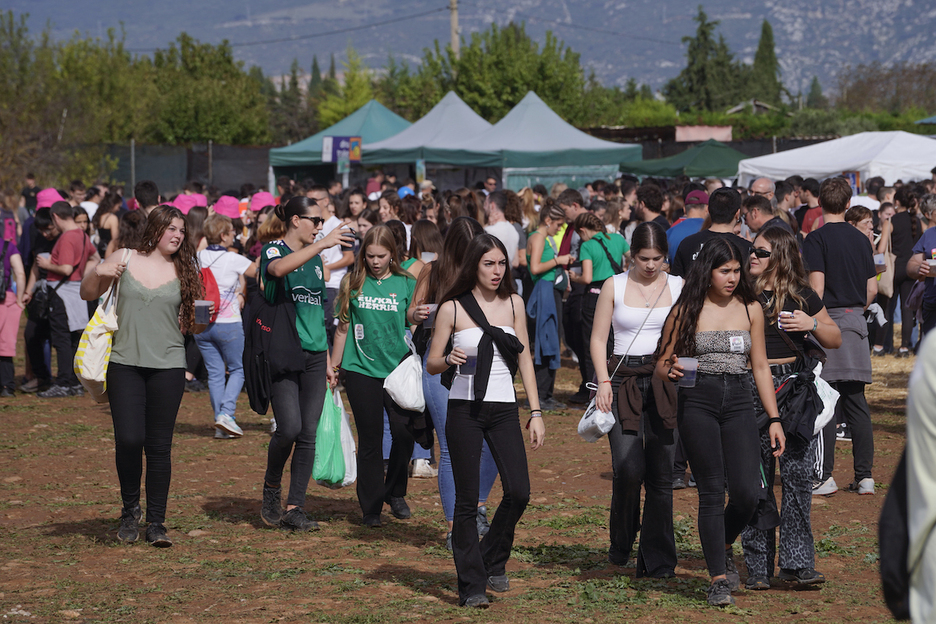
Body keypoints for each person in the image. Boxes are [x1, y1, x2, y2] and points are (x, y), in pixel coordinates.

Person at [656, 238, 785, 607]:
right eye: (724, 271)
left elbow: (760, 366)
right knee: (711, 492)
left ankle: (723, 542)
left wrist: (774, 417)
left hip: (740, 401)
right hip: (698, 401)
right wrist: (671, 369)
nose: (732, 278)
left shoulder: (751, 308)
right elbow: (662, 363)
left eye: (736, 270)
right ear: (707, 271)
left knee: (748, 493)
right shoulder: (686, 309)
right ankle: (717, 579)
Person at [426, 233, 544, 608]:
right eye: (488, 263)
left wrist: (536, 412)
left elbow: (525, 359)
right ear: (473, 266)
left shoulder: (514, 303)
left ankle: (490, 555)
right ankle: (472, 586)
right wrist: (448, 359)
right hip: (465, 409)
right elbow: (432, 363)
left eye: (501, 263)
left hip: (504, 408)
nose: (496, 271)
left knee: (519, 491)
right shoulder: (452, 308)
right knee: (466, 501)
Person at [80, 205, 205, 547]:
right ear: (155, 229)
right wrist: (99, 269)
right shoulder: (125, 257)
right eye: (171, 228)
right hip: (125, 364)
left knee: (159, 447)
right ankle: (129, 511)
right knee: (130, 439)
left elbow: (194, 326)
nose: (178, 235)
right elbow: (87, 292)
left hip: (169, 366)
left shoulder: (186, 270)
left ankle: (157, 524)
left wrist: (202, 316)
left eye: (182, 230)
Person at [740, 227, 841, 590]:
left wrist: (811, 323)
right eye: (753, 250)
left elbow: (834, 337)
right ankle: (757, 566)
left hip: (794, 390)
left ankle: (797, 564)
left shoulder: (800, 294)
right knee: (756, 479)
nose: (753, 256)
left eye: (761, 252)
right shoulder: (741, 293)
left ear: (780, 257)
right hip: (750, 387)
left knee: (797, 477)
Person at [590, 222, 681, 577]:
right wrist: (603, 381)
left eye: (658, 258)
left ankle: (659, 560)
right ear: (632, 255)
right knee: (628, 468)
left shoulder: (678, 286)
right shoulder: (613, 285)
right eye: (644, 258)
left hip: (663, 382)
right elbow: (598, 339)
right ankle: (622, 542)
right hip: (622, 379)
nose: (651, 265)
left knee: (661, 473)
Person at [258, 197, 354, 530]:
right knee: (289, 429)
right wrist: (322, 245)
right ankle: (271, 485)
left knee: (308, 433)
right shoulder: (274, 250)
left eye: (321, 221)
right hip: (284, 352)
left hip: (314, 356)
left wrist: (326, 358)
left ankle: (295, 507)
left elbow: (315, 313)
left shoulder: (315, 261)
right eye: (315, 220)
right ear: (296, 220)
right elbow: (277, 270)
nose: (320, 227)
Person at [332, 225, 429, 527]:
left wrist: (416, 315)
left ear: (392, 255)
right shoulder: (352, 282)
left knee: (404, 433)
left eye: (381, 256)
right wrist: (333, 367)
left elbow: (410, 317)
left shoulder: (406, 282)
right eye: (370, 256)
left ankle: (395, 491)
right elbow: (343, 328)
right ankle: (371, 508)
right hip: (360, 370)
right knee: (370, 440)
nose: (375, 261)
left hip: (398, 369)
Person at [410, 217, 498, 550]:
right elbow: (411, 312)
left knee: (490, 439)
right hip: (438, 361)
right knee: (450, 444)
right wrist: (418, 314)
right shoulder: (433, 271)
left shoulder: (487, 271)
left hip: (477, 360)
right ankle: (454, 529)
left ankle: (477, 507)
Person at [802, 177, 878, 497]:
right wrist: (855, 312)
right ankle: (865, 477)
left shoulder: (816, 238)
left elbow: (816, 288)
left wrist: (811, 322)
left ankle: (825, 476)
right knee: (856, 400)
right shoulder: (861, 239)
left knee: (826, 401)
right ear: (848, 204)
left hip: (827, 321)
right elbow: (871, 288)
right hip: (856, 320)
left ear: (820, 202)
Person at [194, 215, 257, 439]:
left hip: (202, 320)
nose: (235, 235)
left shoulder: (197, 257)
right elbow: (258, 272)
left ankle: (221, 423)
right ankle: (226, 414)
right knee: (238, 369)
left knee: (215, 373)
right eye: (231, 232)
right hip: (228, 322)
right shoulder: (233, 259)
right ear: (223, 236)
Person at [31, 201, 98, 398]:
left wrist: (47, 264)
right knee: (74, 339)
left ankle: (63, 383)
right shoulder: (82, 235)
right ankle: (75, 383)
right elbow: (95, 258)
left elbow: (66, 268)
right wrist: (82, 276)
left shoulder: (67, 237)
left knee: (61, 339)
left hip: (61, 294)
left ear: (55, 217)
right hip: (76, 293)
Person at [570, 211, 629, 393]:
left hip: (595, 295)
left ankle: (593, 388)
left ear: (582, 230)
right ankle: (616, 383)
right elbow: (633, 257)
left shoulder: (587, 245)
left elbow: (587, 277)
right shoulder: (617, 239)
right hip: (617, 293)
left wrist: (575, 277)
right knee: (614, 341)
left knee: (593, 343)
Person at [526, 203, 573, 410]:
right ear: (548, 221)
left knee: (552, 341)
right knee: (547, 341)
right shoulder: (538, 237)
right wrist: (558, 261)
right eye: (558, 224)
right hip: (545, 292)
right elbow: (535, 267)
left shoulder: (542, 238)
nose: (559, 228)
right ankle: (540, 396)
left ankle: (546, 394)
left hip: (550, 290)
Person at [671, 188, 750, 278]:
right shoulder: (746, 248)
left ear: (708, 210)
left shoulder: (687, 243)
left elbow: (676, 282)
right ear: (737, 214)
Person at [0, 235, 26, 396]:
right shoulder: (8, 246)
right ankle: (7, 386)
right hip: (6, 298)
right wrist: (19, 299)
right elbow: (20, 274)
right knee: (6, 344)